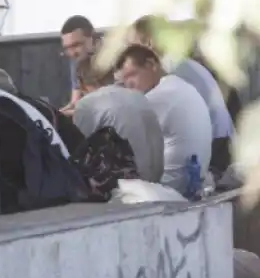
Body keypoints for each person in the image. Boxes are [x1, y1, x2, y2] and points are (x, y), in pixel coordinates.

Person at [128, 15, 234, 172]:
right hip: (221, 142)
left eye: (132, 47)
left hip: (216, 150)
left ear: (148, 43)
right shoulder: (181, 64)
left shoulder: (171, 73)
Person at [116, 44, 212, 194]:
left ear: (151, 65)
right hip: (194, 181)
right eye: (124, 81)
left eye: (132, 75)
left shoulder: (157, 98)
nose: (129, 84)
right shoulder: (178, 85)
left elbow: (123, 135)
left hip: (173, 188)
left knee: (115, 188)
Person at [72, 54, 164, 183]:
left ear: (81, 84)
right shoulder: (140, 96)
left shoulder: (87, 104)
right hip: (156, 183)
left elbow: (77, 152)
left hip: (124, 190)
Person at [60, 15, 98, 112]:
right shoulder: (76, 60)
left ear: (92, 38)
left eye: (76, 45)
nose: (71, 53)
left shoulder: (114, 58)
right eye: (67, 48)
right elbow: (75, 103)